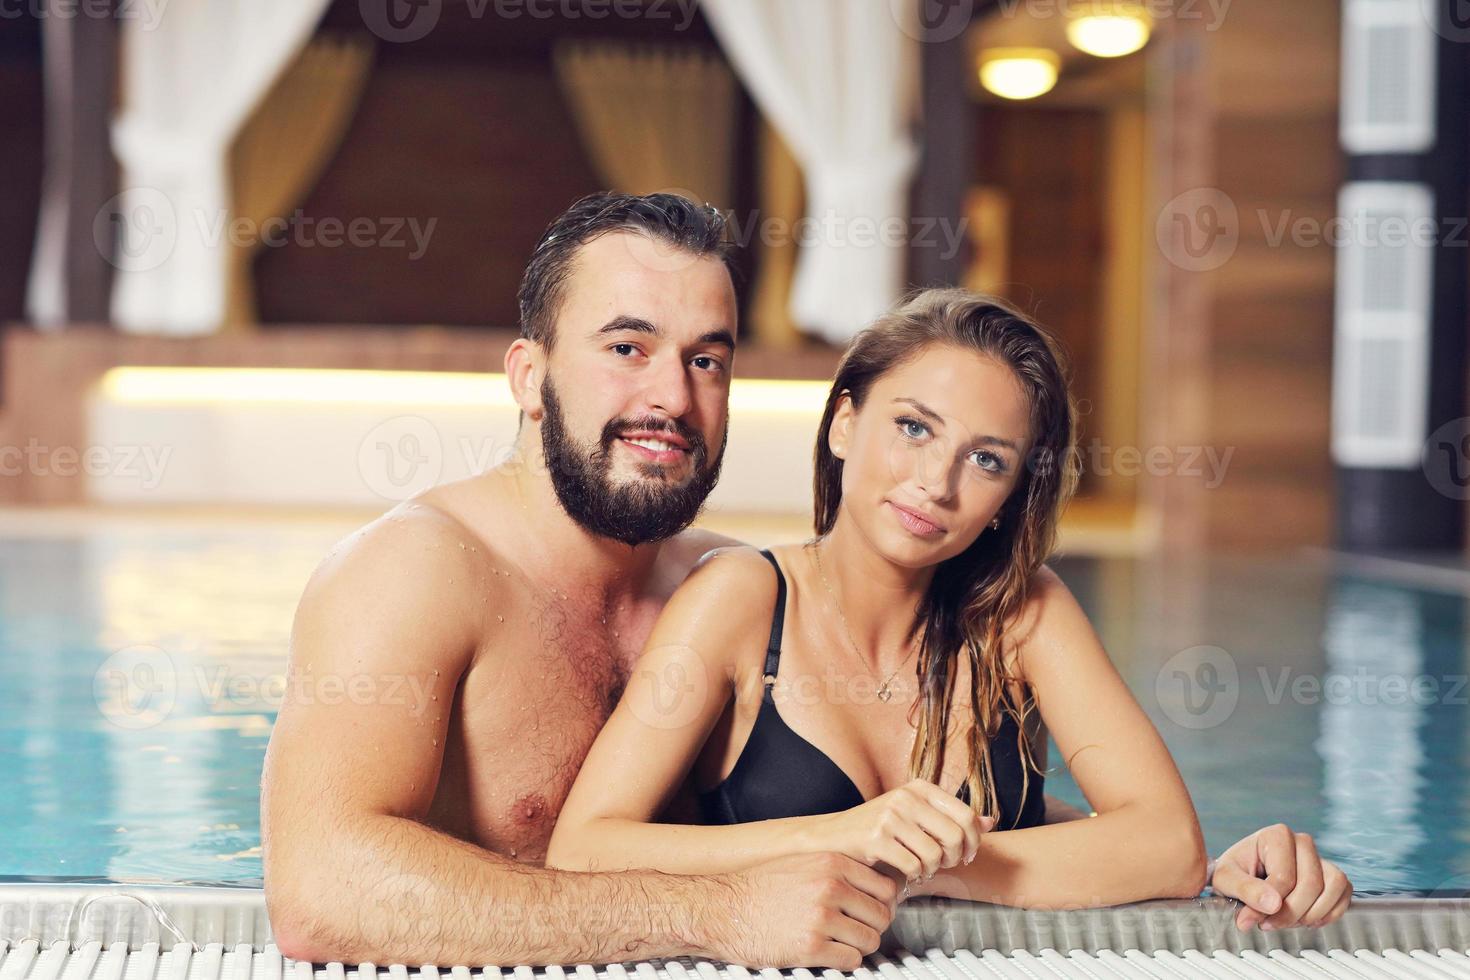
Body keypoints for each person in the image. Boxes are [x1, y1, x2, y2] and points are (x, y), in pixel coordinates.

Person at [261, 193, 1348, 972]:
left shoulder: (718, 577)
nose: (671, 396)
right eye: (627, 347)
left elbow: (927, 810)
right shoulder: (414, 571)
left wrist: (1203, 867)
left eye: (707, 357)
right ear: (529, 375)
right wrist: (719, 913)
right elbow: (319, 896)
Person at [545, 287, 1353, 929]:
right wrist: (841, 836)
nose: (938, 482)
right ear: (844, 424)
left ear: (1008, 496)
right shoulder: (740, 600)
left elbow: (1170, 848)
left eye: (987, 459)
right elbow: (583, 851)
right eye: (913, 428)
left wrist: (930, 869)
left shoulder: (1023, 615)